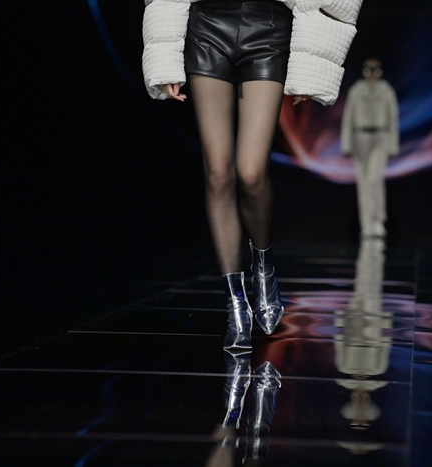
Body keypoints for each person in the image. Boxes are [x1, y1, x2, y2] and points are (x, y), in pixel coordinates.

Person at [142, 0, 361, 349]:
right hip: (206, 25)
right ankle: (236, 304)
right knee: (218, 172)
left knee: (251, 171)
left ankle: (263, 268)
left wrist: (310, 65)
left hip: (268, 26)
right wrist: (164, 58)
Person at [341, 58, 399, 239]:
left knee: (374, 179)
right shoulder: (356, 90)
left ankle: (378, 220)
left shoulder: (386, 90)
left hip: (380, 137)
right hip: (360, 137)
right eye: (368, 71)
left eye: (376, 71)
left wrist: (393, 145)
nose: (372, 74)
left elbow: (393, 117)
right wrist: (346, 143)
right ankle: (366, 224)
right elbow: (348, 117)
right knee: (363, 182)